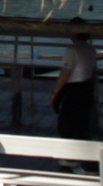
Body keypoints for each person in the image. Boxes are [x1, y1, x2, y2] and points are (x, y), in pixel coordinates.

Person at [52, 18, 97, 173]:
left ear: (75, 33)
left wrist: (55, 94)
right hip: (86, 88)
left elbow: (65, 75)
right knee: (82, 125)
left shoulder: (72, 50)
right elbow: (93, 72)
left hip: (74, 90)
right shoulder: (91, 49)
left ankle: (77, 160)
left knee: (67, 124)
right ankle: (75, 157)